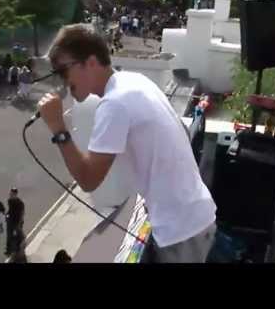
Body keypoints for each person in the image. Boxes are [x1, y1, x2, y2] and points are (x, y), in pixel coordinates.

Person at [38, 24, 217, 263]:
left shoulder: (114, 104)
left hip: (180, 231)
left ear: (91, 62)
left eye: (63, 69)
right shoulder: (133, 80)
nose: (62, 79)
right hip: (191, 218)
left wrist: (59, 129)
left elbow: (88, 179)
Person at [5, 187, 25, 256]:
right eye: (10, 193)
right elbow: (10, 210)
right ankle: (8, 250)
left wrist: (20, 223)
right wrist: (7, 216)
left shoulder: (20, 203)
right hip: (10, 221)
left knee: (18, 235)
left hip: (17, 221)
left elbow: (22, 213)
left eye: (12, 194)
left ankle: (18, 248)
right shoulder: (9, 201)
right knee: (9, 235)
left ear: (16, 194)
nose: (10, 194)